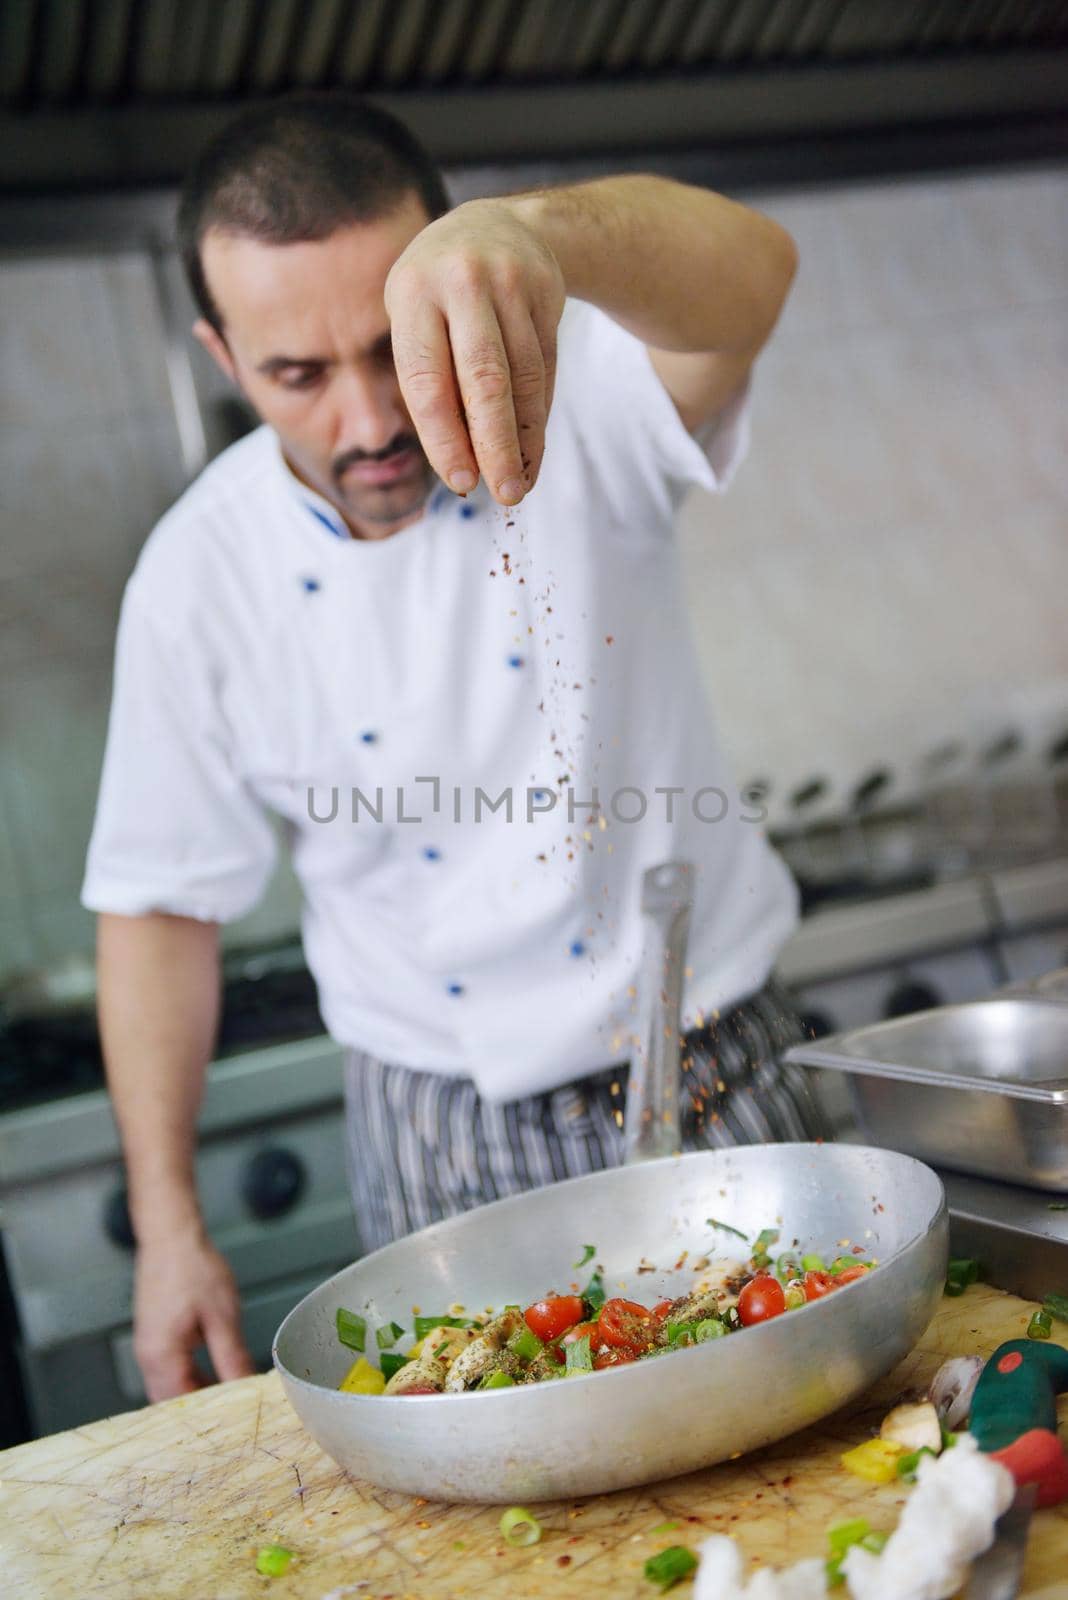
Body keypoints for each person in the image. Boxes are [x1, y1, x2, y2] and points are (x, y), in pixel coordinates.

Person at [82, 91, 824, 1404]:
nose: (371, 420)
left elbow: (756, 277)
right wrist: (169, 1227)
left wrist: (543, 236)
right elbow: (156, 909)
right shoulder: (195, 579)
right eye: (297, 376)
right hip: (440, 1132)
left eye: (393, 345)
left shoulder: (582, 389)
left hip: (713, 1067)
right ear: (219, 351)